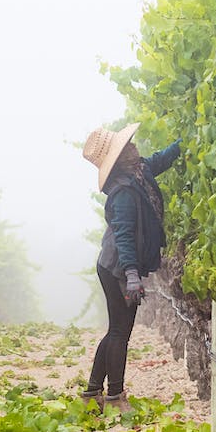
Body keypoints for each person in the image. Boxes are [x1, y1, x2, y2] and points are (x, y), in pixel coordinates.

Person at [80, 123, 180, 407]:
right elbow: (123, 236)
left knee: (116, 329)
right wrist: (132, 276)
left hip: (119, 266)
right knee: (120, 332)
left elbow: (162, 158)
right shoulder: (123, 191)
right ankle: (114, 396)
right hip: (117, 268)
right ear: (122, 156)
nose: (134, 146)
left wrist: (185, 143)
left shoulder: (140, 172)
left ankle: (91, 393)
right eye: (128, 146)